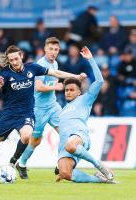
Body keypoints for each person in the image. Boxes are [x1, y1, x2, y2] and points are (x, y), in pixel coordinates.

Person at [0, 45, 86, 183]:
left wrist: (75, 76)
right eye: (11, 60)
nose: (14, 62)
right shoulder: (5, 73)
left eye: (16, 58)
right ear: (9, 60)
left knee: (26, 135)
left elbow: (56, 73)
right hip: (8, 114)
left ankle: (12, 162)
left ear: (21, 56)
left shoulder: (32, 68)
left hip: (26, 113)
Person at [55, 46, 115, 183]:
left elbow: (99, 81)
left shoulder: (85, 99)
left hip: (79, 136)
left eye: (71, 90)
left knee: (70, 145)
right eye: (66, 90)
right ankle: (101, 180)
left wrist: (91, 59)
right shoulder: (63, 110)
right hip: (64, 145)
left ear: (79, 92)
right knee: (65, 174)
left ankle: (99, 165)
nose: (68, 92)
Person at [16, 37, 64, 179]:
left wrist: (56, 83)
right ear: (45, 49)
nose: (53, 52)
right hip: (38, 109)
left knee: (67, 133)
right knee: (36, 140)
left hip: (53, 106)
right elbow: (39, 87)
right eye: (51, 49)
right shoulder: (40, 65)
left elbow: (54, 79)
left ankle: (61, 164)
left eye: (56, 50)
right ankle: (22, 164)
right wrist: (56, 86)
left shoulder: (55, 64)